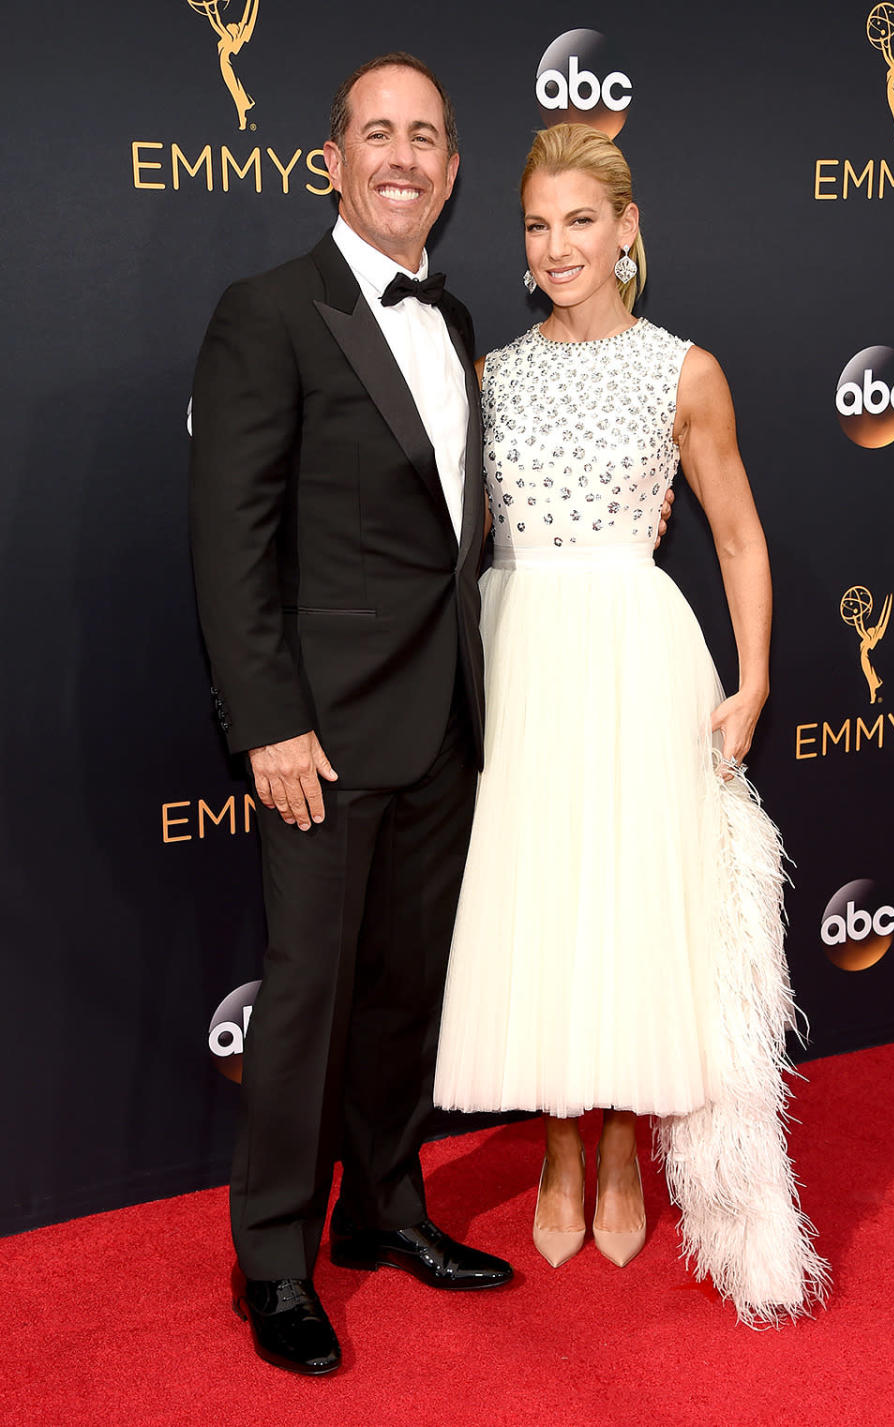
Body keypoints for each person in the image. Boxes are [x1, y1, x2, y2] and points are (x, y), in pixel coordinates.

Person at [434, 123, 830, 1326]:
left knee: (625, 901)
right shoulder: (494, 371)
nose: (558, 246)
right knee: (544, 901)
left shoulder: (684, 369)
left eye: (580, 223)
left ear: (627, 231)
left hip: (638, 655)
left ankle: (619, 1144)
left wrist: (754, 679)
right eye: (537, 227)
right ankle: (561, 1140)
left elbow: (738, 535)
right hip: (523, 656)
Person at [189, 53, 525, 1377]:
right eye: (376, 133)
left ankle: (385, 1208)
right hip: (321, 737)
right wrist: (269, 721)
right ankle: (273, 1257)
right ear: (330, 157)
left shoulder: (453, 320)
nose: (402, 155)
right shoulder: (266, 311)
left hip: (444, 722)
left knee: (400, 996)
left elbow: (454, 532)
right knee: (311, 998)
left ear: (450, 169)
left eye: (426, 136)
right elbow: (230, 537)